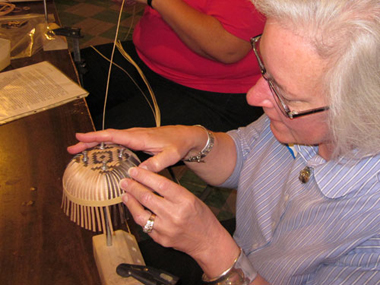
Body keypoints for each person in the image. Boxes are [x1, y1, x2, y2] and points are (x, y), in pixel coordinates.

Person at [68, 0, 380, 284]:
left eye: (283, 93)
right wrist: (192, 140)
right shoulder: (300, 116)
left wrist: (212, 249)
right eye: (264, 70)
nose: (253, 96)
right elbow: (245, 153)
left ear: (359, 109)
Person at [80, 0, 265, 132]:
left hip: (213, 92)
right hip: (148, 59)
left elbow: (227, 48)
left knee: (99, 148)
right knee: (64, 80)